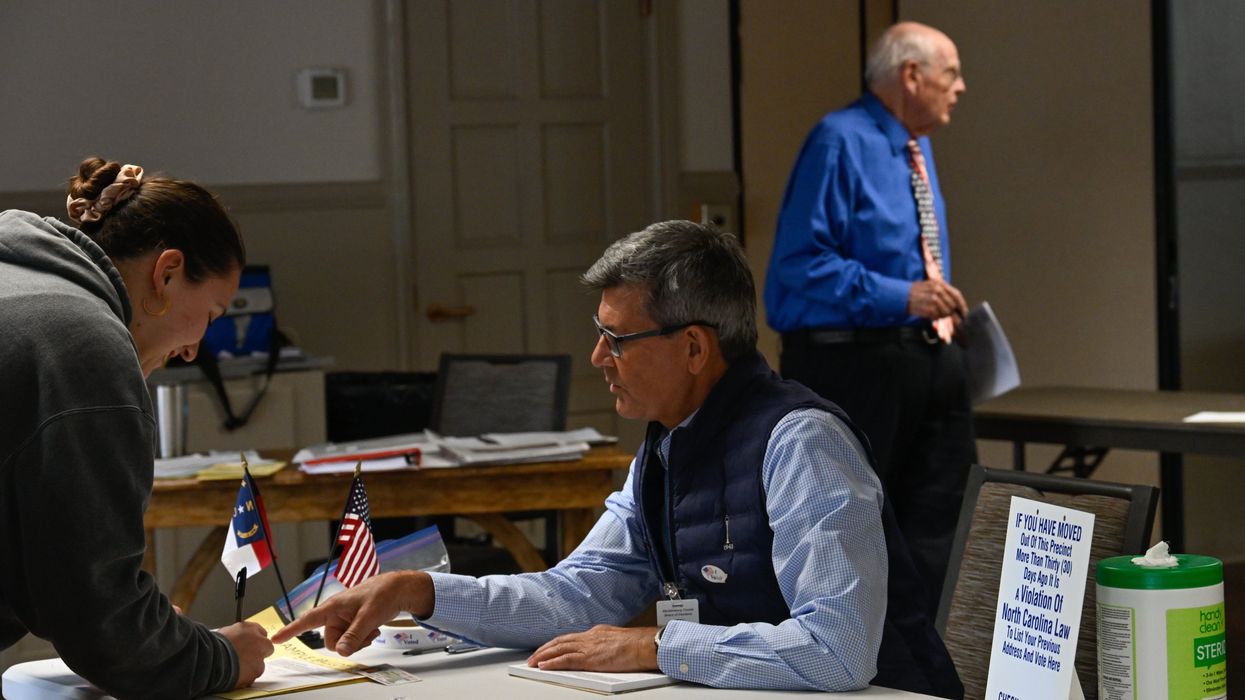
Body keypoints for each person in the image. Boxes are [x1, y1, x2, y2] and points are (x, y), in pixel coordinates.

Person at [275, 221, 961, 697]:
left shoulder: (800, 444)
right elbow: (578, 594)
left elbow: (838, 650)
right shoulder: (666, 444)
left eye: (617, 339)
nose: (599, 359)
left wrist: (654, 648)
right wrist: (419, 592)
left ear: (694, 348)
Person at [0, 157, 274, 698]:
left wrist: (143, 625)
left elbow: (56, 577)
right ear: (167, 271)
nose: (195, 348)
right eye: (212, 314)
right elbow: (101, 625)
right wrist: (221, 657)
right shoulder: (82, 343)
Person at [763, 21, 975, 615]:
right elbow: (798, 269)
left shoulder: (916, 145)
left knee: (943, 524)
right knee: (859, 532)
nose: (960, 87)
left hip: (928, 356)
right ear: (911, 75)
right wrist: (902, 296)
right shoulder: (839, 140)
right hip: (857, 361)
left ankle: (937, 663)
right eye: (951, 73)